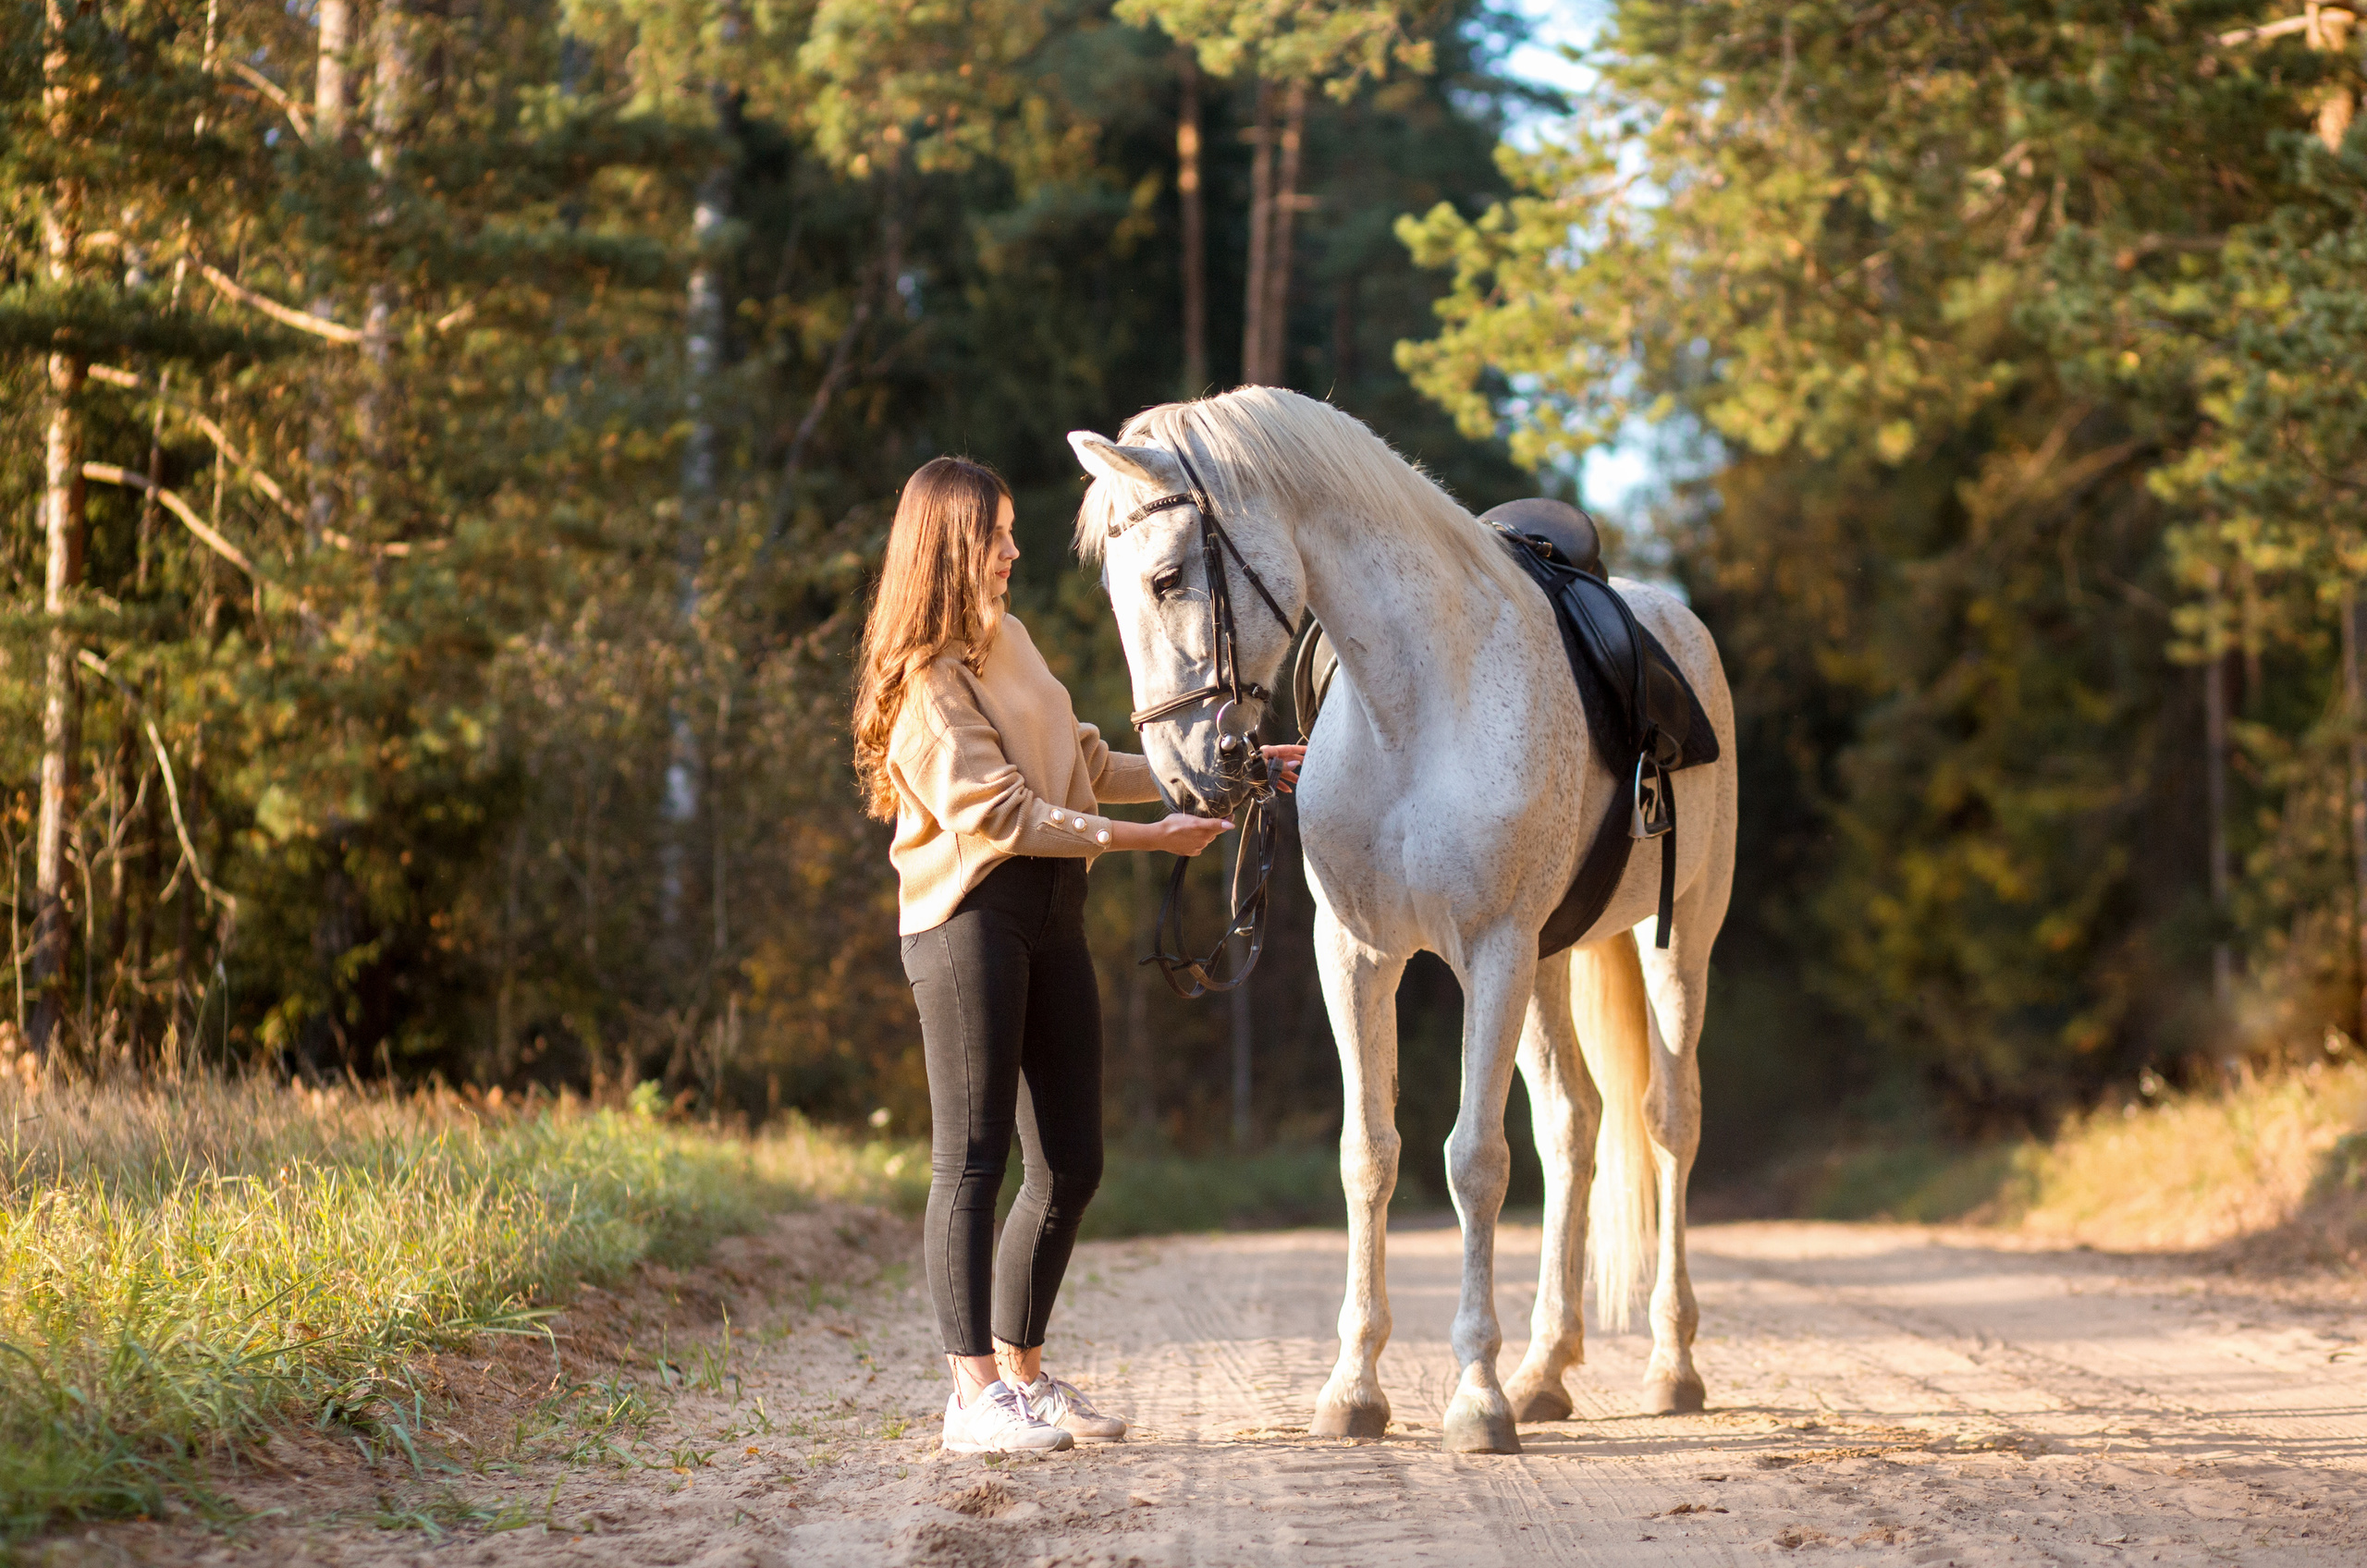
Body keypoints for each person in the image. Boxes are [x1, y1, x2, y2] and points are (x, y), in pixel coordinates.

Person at [852, 456, 1304, 1456]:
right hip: (969, 913)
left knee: (1070, 1161)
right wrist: (1150, 840)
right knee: (971, 1158)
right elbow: (1003, 814)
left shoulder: (1005, 639)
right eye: (998, 533)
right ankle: (970, 1399)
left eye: (1011, 530)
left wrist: (1228, 777)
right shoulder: (926, 680)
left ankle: (1023, 1374)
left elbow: (1086, 763)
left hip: (1053, 905)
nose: (1015, 549)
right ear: (948, 546)